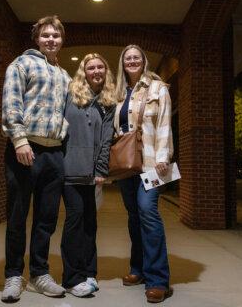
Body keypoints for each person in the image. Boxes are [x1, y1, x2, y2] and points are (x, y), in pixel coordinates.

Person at [1, 15, 71, 302]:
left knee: (46, 219)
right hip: (25, 149)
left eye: (56, 35)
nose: (51, 39)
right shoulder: (21, 64)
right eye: (46, 35)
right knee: (17, 216)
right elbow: (11, 101)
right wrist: (19, 140)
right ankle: (14, 276)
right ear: (37, 38)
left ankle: (39, 274)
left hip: (54, 153)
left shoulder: (65, 75)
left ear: (61, 40)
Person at [113, 44, 173, 303]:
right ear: (123, 64)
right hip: (126, 165)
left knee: (148, 211)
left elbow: (164, 123)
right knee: (134, 216)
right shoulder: (118, 93)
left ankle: (158, 279)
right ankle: (137, 268)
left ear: (144, 61)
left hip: (152, 163)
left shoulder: (158, 88)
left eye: (136, 57)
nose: (132, 61)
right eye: (128, 58)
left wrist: (163, 158)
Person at [61, 53, 116, 297]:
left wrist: (102, 169)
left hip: (92, 174)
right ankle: (72, 279)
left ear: (106, 72)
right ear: (84, 71)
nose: (96, 71)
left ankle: (89, 272)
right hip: (69, 170)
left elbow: (106, 141)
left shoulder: (107, 103)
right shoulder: (70, 94)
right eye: (90, 67)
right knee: (75, 221)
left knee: (90, 223)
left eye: (100, 67)